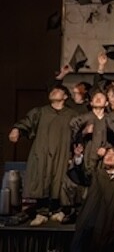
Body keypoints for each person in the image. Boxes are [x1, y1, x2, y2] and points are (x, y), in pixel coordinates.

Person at [9, 84, 78, 221]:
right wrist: (17, 130)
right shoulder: (40, 112)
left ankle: (57, 210)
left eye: (57, 91)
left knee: (59, 179)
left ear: (65, 96)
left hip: (62, 152)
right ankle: (42, 212)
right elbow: (26, 122)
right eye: (52, 91)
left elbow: (79, 132)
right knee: (41, 177)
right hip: (42, 151)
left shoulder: (72, 115)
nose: (53, 92)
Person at [67, 145, 114, 252]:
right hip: (89, 222)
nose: (109, 156)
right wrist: (78, 157)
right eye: (107, 154)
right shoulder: (96, 174)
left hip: (110, 224)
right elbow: (80, 176)